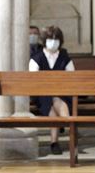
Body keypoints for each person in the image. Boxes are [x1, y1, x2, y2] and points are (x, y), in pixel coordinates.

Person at [29, 25, 75, 155]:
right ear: (44, 41)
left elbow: (72, 77)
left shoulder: (64, 56)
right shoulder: (37, 57)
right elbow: (33, 80)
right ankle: (68, 125)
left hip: (63, 94)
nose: (53, 42)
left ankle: (54, 141)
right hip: (41, 94)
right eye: (50, 39)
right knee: (52, 100)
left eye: (56, 39)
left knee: (56, 101)